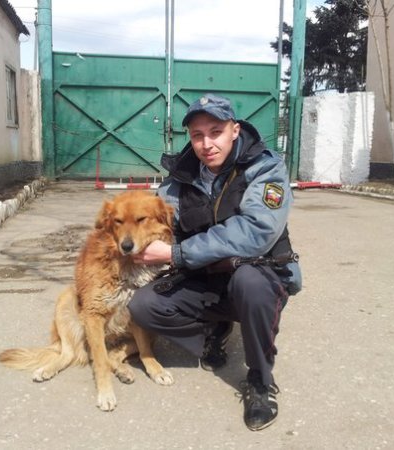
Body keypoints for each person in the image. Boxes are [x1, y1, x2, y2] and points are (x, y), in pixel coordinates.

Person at [129, 93, 302, 431]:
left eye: (216, 132)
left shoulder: (265, 168)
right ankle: (216, 329)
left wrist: (176, 253)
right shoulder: (179, 178)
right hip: (206, 278)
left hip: (258, 274)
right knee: (144, 306)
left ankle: (260, 380)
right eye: (197, 135)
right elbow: (156, 222)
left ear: (234, 131)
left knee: (249, 283)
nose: (206, 144)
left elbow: (256, 231)